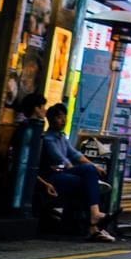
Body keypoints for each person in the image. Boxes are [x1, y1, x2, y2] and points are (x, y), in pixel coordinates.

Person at [38, 102, 114, 242]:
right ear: (51, 119)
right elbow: (62, 160)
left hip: (65, 176)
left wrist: (94, 166)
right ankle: (94, 221)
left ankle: (93, 225)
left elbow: (75, 154)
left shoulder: (62, 137)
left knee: (87, 179)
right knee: (87, 179)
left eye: (64, 117)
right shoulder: (48, 139)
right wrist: (85, 168)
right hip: (53, 178)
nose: (63, 121)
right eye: (59, 118)